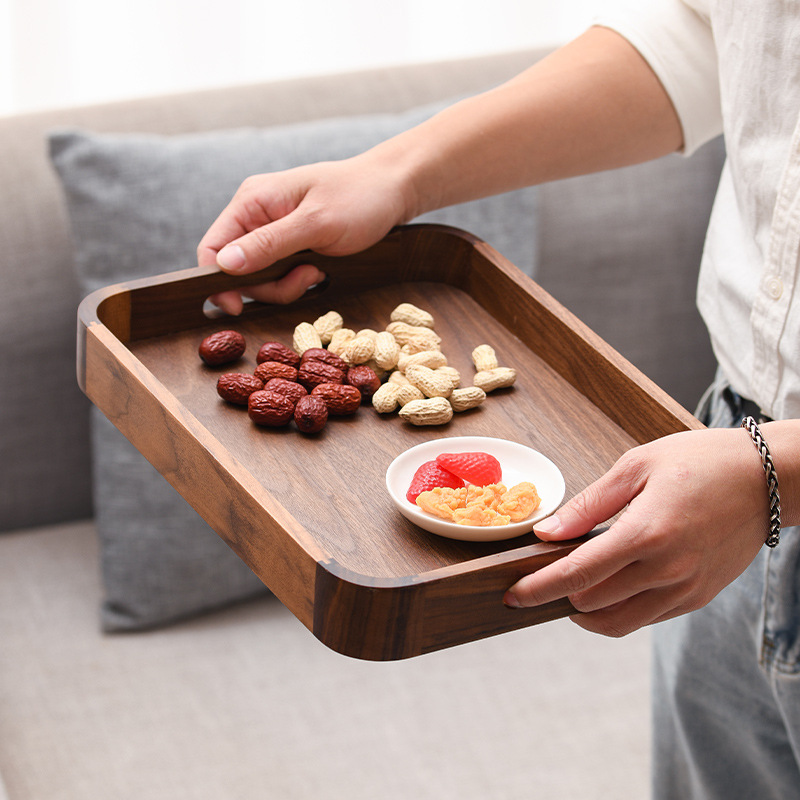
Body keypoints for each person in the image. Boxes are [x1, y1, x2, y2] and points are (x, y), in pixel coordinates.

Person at [197, 3, 800, 797]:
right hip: (722, 459)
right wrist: (398, 172)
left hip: (748, 479)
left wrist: (776, 471)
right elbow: (717, 36)